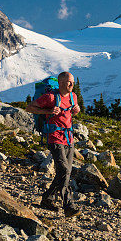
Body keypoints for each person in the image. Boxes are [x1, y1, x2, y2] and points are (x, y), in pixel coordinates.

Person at [25, 71, 81, 218]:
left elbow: (73, 112)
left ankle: (47, 199)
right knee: (64, 171)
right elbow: (29, 107)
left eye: (73, 82)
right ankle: (68, 205)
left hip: (69, 139)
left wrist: (77, 110)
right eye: (69, 82)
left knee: (64, 173)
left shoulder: (73, 96)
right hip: (54, 137)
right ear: (61, 83)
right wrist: (48, 111)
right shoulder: (50, 97)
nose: (72, 84)